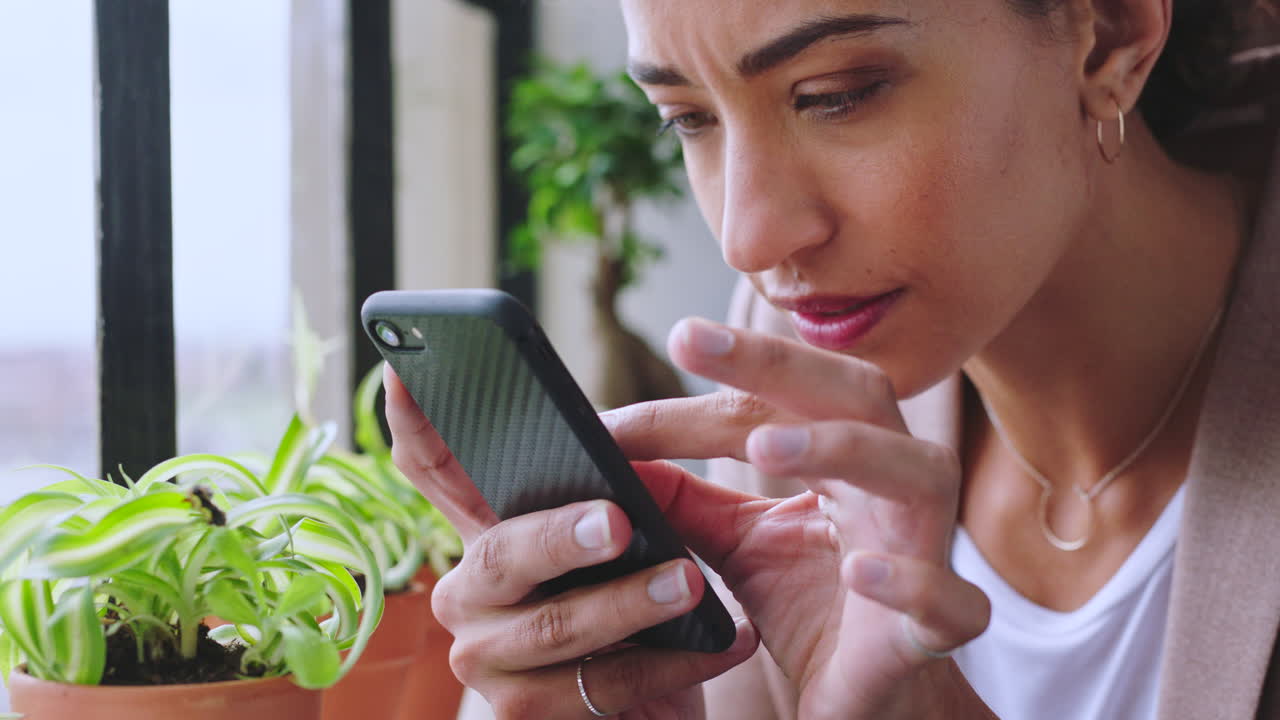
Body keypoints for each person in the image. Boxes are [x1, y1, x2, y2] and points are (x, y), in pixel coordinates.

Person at [384, 0, 1280, 717]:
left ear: (1111, 35)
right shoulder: (790, 377)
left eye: (834, 94)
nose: (748, 236)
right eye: (685, 119)